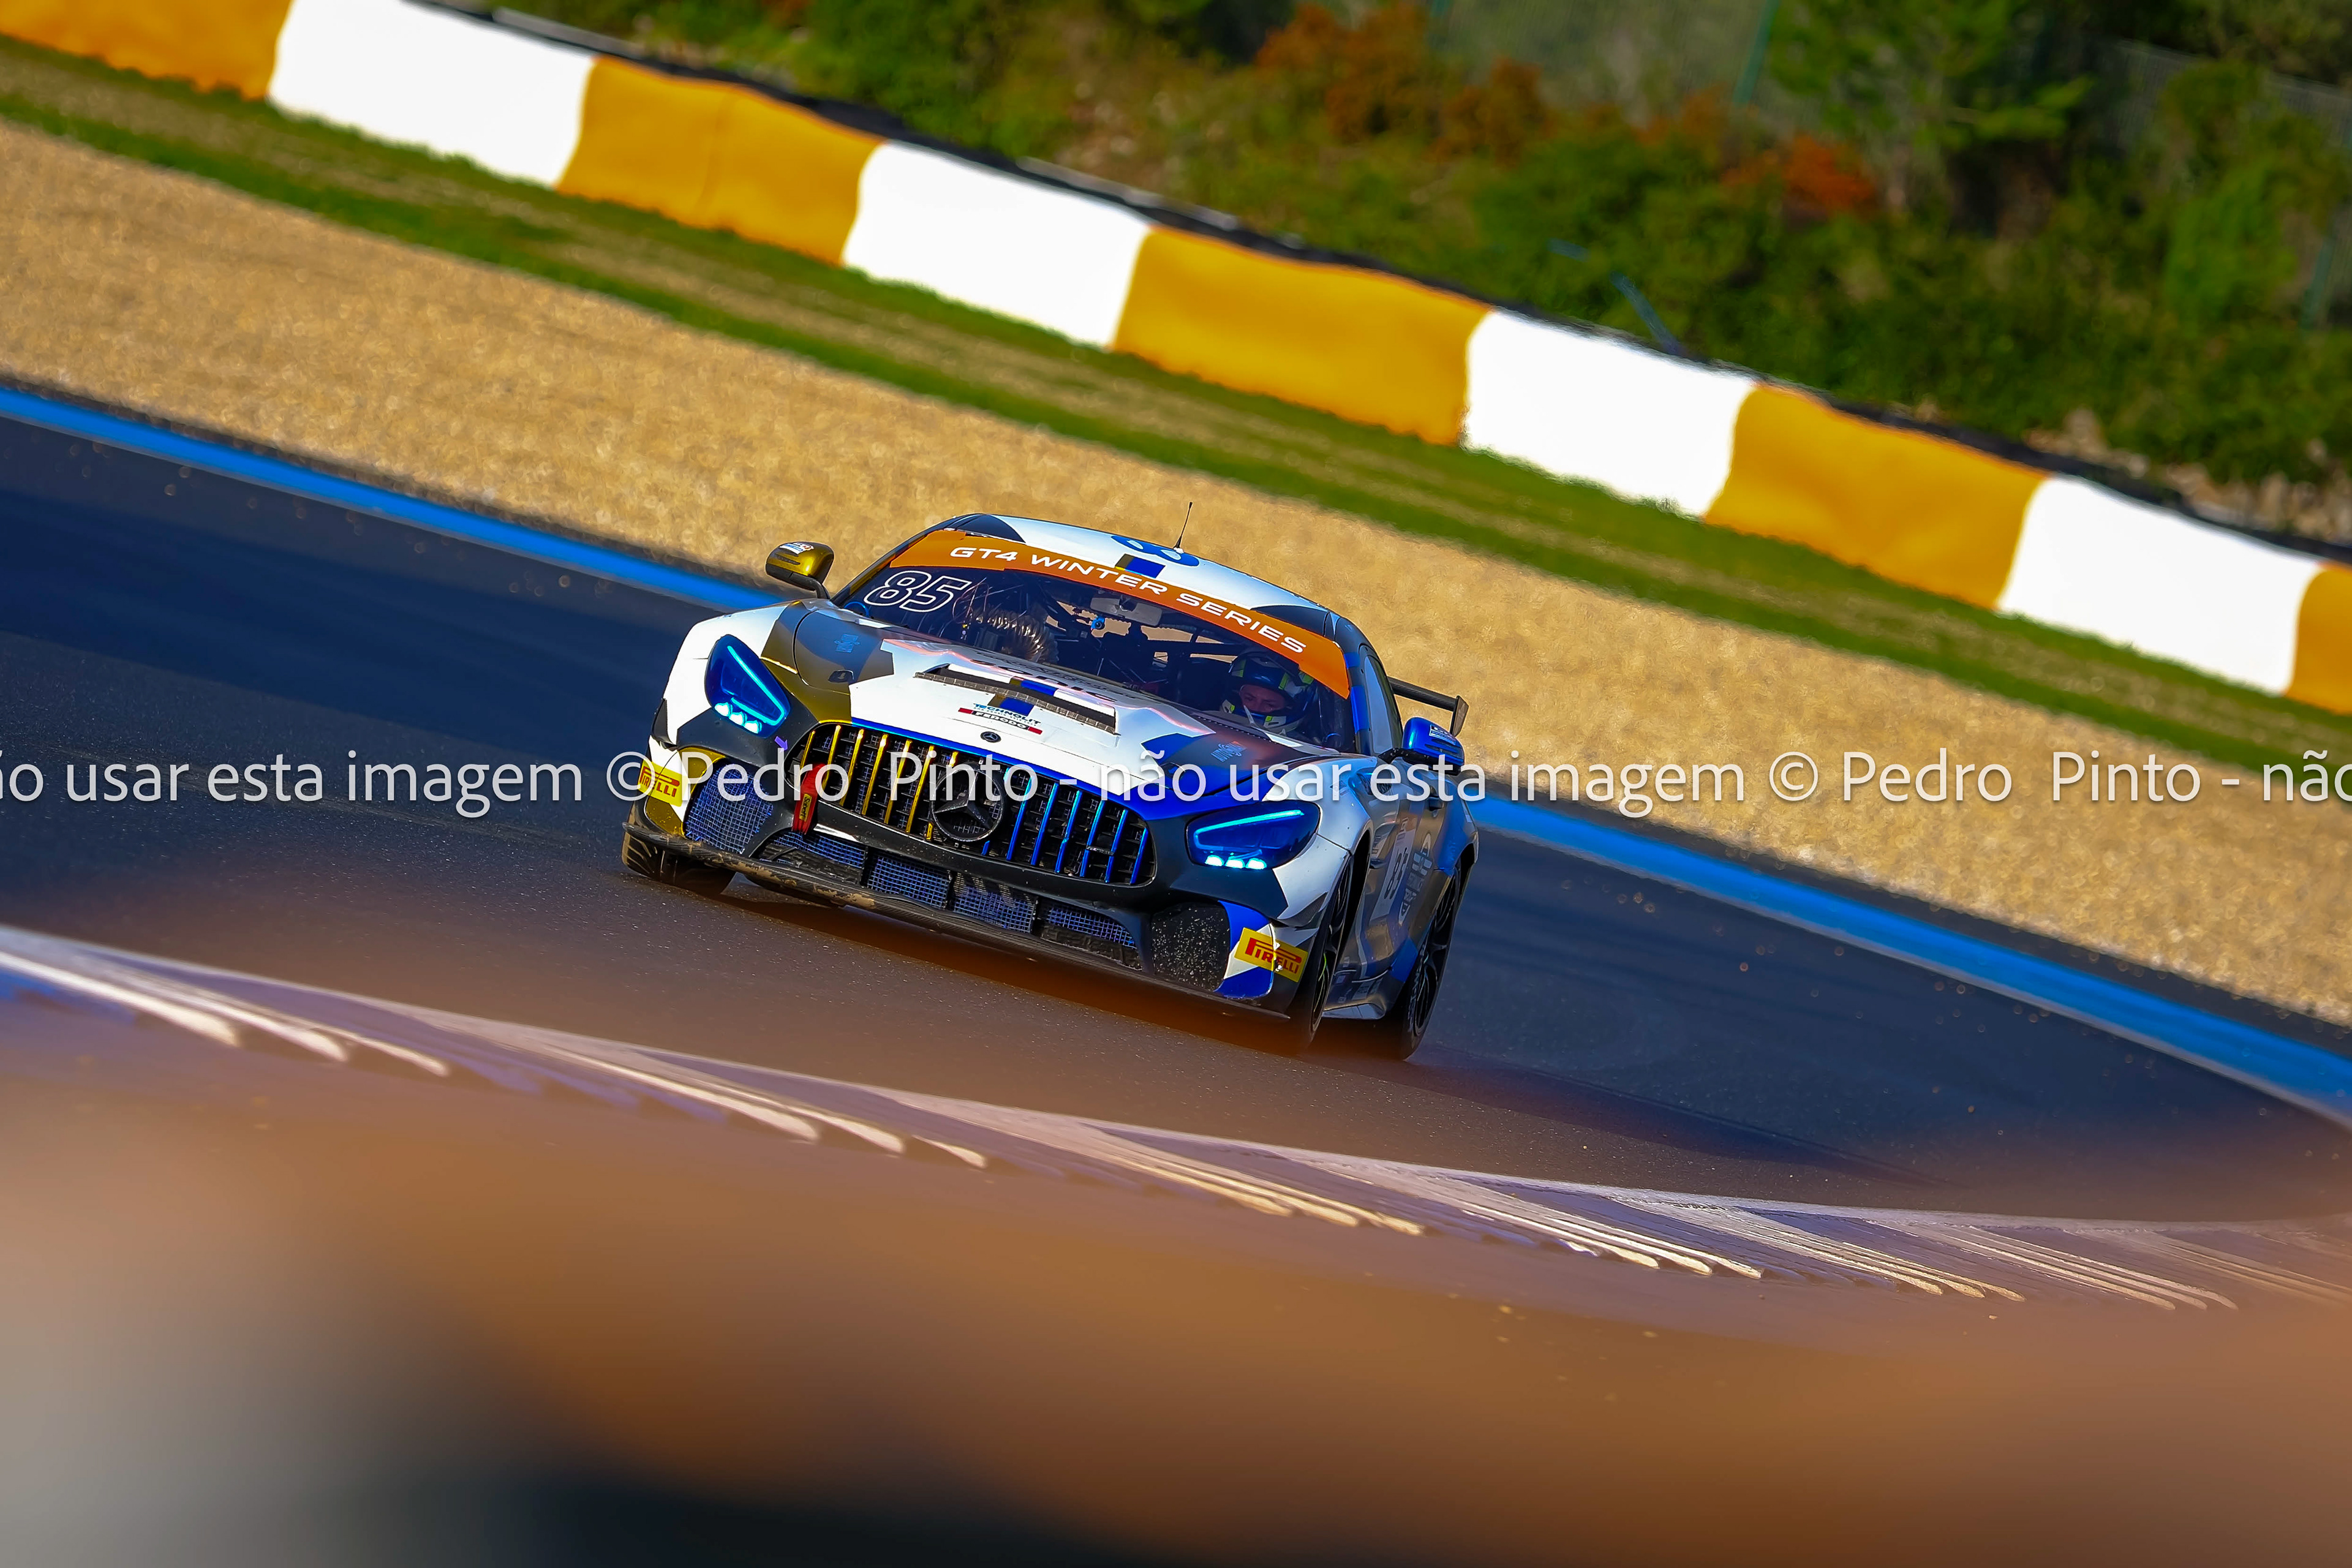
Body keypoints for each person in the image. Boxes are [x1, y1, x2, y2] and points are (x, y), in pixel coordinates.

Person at [1219, 654, 1315, 740]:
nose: (1255, 708)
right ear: (1239, 694)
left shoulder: (1302, 750)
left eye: (1269, 705)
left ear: (1289, 707)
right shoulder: (1213, 718)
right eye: (1249, 699)